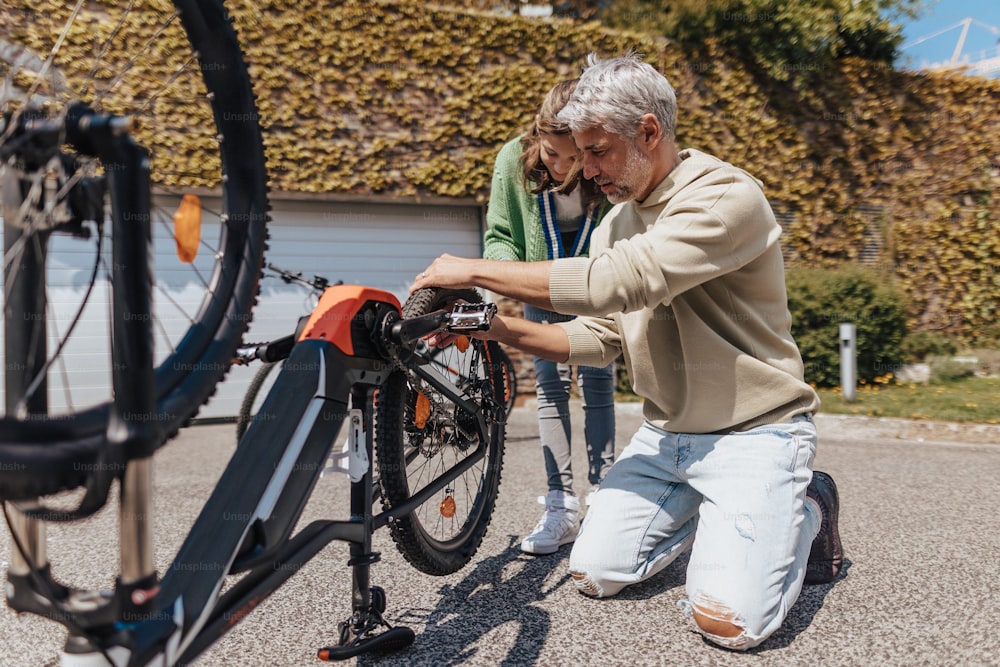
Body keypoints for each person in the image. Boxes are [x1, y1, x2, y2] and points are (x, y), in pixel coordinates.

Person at [412, 51, 843, 651]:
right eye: (581, 153)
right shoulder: (618, 221)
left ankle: (808, 508)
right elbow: (603, 334)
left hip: (756, 432)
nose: (584, 171)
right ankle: (720, 514)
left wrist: (471, 270)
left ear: (648, 130)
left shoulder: (725, 197)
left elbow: (622, 281)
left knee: (730, 624)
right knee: (594, 573)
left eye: (597, 151)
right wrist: (497, 329)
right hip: (668, 437)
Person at [482, 79, 616, 556]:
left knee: (599, 385)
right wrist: (495, 287)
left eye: (571, 158)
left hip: (595, 284)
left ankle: (602, 498)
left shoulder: (603, 161)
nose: (561, 167)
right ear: (536, 137)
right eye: (551, 155)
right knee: (550, 387)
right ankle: (561, 506)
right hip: (541, 284)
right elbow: (499, 235)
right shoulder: (511, 161)